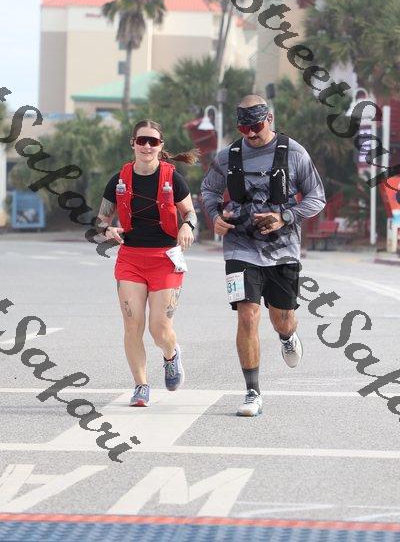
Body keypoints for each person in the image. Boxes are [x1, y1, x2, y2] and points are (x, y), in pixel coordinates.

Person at [201, 95, 326, 417]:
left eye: (256, 126)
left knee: (282, 318)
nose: (251, 134)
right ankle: (252, 392)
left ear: (269, 118)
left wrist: (285, 217)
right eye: (244, 128)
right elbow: (208, 190)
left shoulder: (294, 153)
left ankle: (287, 336)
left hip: (282, 250)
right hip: (240, 247)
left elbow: (317, 197)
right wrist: (215, 216)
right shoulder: (229, 156)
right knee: (247, 315)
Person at [96, 119, 198, 407]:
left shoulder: (173, 178)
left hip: (165, 258)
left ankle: (171, 355)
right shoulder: (118, 180)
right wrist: (107, 230)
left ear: (160, 146)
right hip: (130, 258)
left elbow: (190, 213)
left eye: (153, 141)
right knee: (132, 325)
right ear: (133, 143)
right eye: (142, 140)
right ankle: (141, 386)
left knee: (159, 329)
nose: (147, 146)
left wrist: (187, 226)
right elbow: (100, 220)